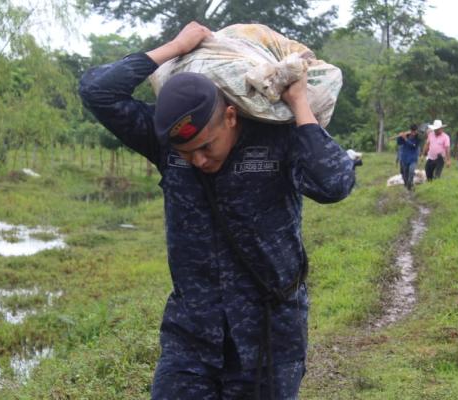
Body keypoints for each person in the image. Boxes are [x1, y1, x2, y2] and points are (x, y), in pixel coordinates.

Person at [79, 22, 355, 400]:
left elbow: (334, 184)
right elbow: (97, 90)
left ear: (230, 116)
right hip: (191, 335)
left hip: (269, 336)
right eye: (185, 153)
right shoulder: (164, 146)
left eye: (206, 146)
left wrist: (299, 104)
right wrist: (174, 47)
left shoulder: (277, 139)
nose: (197, 160)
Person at [396, 124, 420, 191]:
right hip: (404, 158)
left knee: (411, 172)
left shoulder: (418, 138)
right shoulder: (406, 135)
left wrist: (405, 139)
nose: (413, 133)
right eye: (412, 132)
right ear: (410, 131)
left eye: (415, 132)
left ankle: (410, 184)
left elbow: (414, 146)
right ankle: (407, 186)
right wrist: (400, 136)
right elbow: (399, 143)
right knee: (405, 174)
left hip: (413, 158)